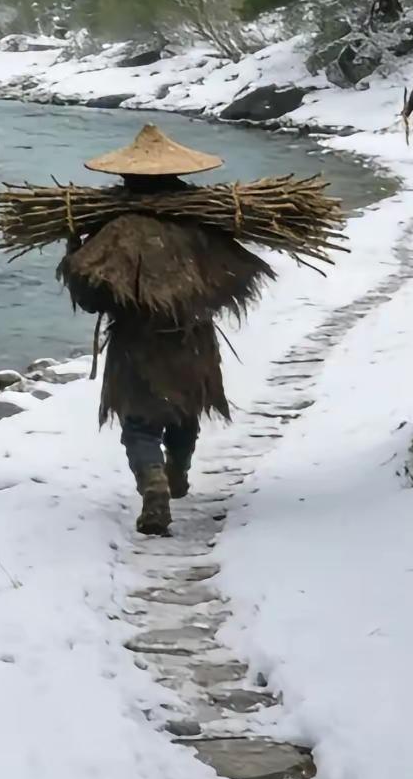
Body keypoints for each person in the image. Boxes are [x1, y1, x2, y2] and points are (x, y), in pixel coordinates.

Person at [59, 125, 273, 537]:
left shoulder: (113, 228)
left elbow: (91, 296)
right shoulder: (201, 224)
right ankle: (177, 470)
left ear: (126, 178)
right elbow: (233, 276)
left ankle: (153, 483)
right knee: (184, 411)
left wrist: (72, 254)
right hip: (192, 340)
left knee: (139, 423)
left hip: (137, 343)